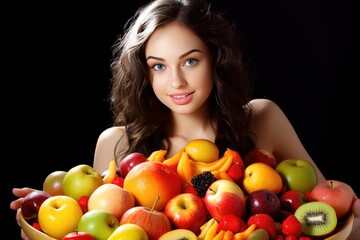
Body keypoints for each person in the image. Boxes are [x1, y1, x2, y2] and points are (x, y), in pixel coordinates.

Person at [10, 0, 359, 239]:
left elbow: (338, 225)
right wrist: (45, 220)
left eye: (190, 61)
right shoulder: (116, 144)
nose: (175, 81)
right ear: (144, 74)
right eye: (159, 66)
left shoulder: (262, 118)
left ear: (216, 60)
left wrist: (354, 213)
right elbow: (100, 225)